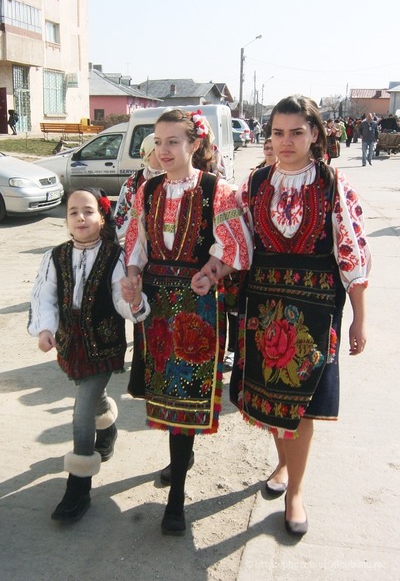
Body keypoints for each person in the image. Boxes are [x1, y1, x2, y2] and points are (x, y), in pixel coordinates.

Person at [230, 95, 371, 537]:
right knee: (271, 398)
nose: (286, 141)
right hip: (264, 303)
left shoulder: (333, 184)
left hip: (316, 307)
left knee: (303, 404)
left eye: (296, 132)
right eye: (278, 132)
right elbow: (236, 242)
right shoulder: (255, 183)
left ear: (314, 134)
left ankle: (295, 491)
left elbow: (350, 252)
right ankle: (282, 464)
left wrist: (359, 317)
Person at [122, 108, 252, 536]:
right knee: (164, 393)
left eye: (173, 141)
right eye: (158, 142)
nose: (164, 150)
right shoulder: (147, 189)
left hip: (197, 307)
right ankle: (181, 459)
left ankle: (176, 495)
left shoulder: (218, 190)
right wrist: (133, 276)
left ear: (194, 144)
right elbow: (136, 241)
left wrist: (212, 272)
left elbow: (236, 247)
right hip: (156, 304)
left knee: (187, 396)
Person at [28, 187, 150, 523]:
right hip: (70, 344)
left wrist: (133, 300)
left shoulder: (115, 256)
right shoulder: (55, 256)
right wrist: (45, 329)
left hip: (103, 344)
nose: (80, 218)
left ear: (102, 216)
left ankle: (78, 486)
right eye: (73, 212)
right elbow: (44, 295)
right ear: (66, 220)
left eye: (88, 211)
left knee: (82, 410)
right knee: (90, 395)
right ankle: (107, 427)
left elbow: (121, 298)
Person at [114, 133, 164, 240]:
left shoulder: (177, 176)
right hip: (140, 238)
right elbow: (124, 212)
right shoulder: (135, 180)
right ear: (148, 155)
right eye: (157, 150)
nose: (163, 154)